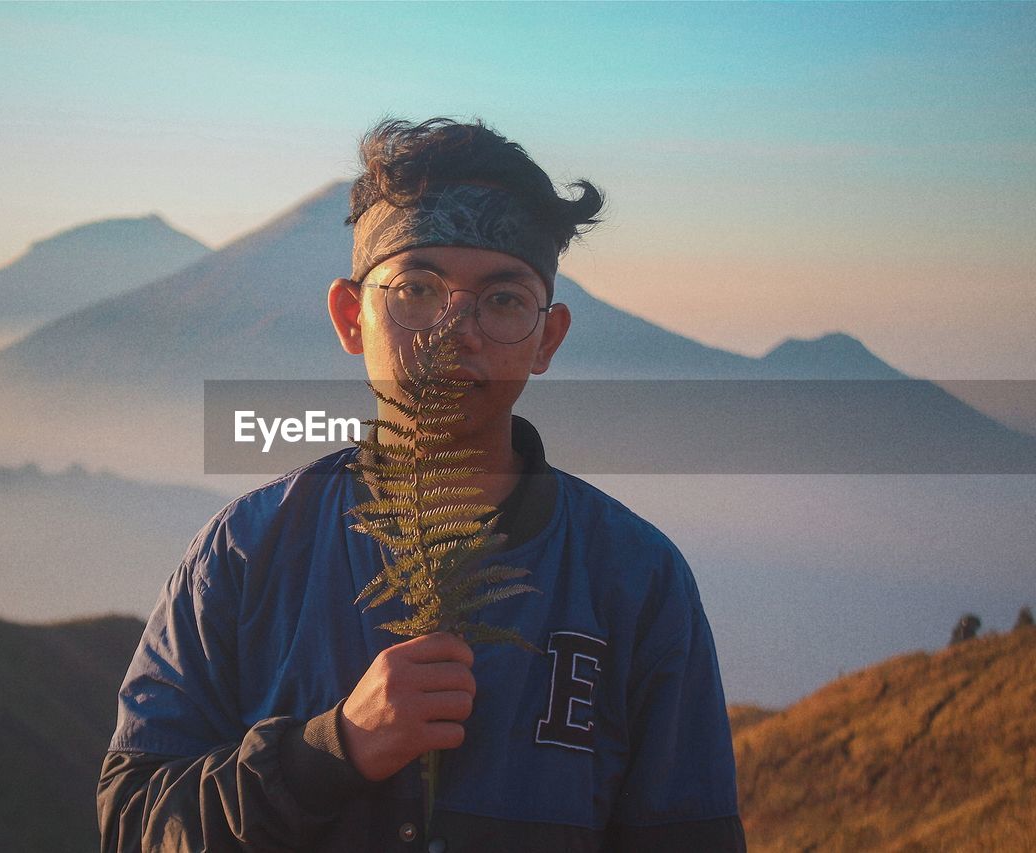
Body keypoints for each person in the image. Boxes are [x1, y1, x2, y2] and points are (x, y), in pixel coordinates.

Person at [97, 118, 745, 852]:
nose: (453, 331)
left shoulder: (636, 580)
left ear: (548, 337)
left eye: (501, 300)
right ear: (351, 316)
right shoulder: (245, 554)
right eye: (417, 289)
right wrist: (329, 748)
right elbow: (133, 822)